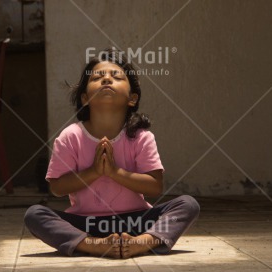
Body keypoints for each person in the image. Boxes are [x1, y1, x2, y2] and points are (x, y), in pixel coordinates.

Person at [24, 48, 200, 259]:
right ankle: (93, 245)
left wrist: (115, 172)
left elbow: (154, 186)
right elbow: (57, 188)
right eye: (97, 77)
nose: (106, 79)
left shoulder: (141, 136)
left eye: (116, 76)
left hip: (136, 222)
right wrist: (94, 172)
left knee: (188, 204)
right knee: (35, 215)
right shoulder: (71, 136)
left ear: (132, 98)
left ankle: (142, 243)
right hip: (86, 224)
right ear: (85, 97)